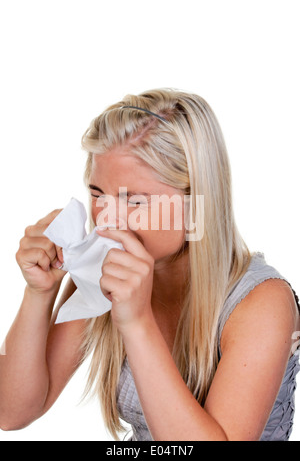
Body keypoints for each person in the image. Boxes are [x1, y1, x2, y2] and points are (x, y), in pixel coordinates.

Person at [0, 88, 299, 441]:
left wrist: (137, 322)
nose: (106, 221)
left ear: (195, 208)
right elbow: (11, 412)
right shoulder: (103, 272)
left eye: (135, 201)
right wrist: (39, 293)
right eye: (97, 194)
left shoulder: (263, 302)